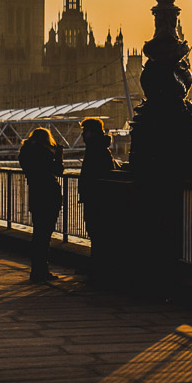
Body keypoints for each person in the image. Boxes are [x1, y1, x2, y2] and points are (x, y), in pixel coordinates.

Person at [18, 126, 64, 281]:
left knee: (38, 233)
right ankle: (42, 270)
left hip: (36, 196)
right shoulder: (44, 153)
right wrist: (58, 155)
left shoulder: (25, 154)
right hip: (49, 195)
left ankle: (36, 270)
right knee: (45, 235)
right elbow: (58, 170)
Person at [77, 118, 115, 279]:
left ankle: (98, 267)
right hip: (96, 197)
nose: (82, 135)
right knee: (96, 232)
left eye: (84, 131)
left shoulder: (95, 150)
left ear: (92, 132)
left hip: (95, 198)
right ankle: (98, 266)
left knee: (96, 231)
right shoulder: (99, 148)